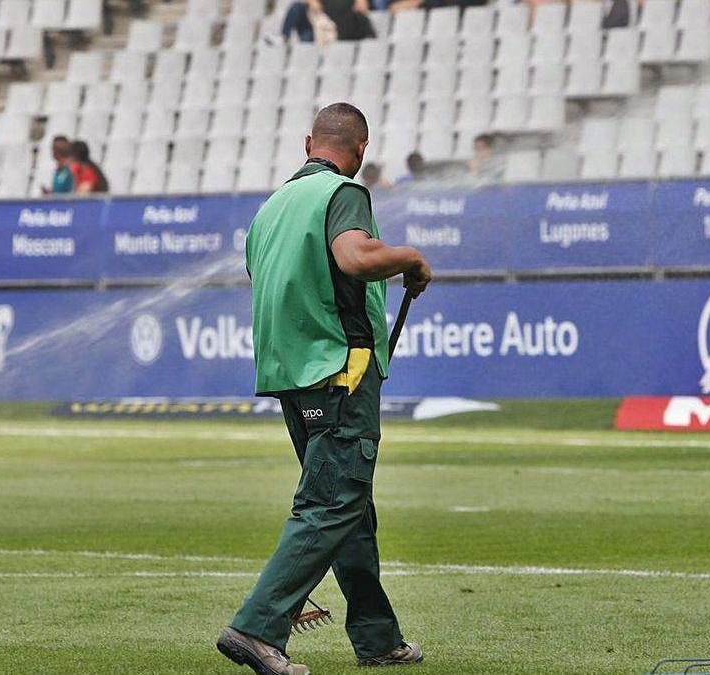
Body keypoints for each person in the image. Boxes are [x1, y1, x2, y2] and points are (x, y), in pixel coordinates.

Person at [217, 102, 431, 675]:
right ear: (360, 151)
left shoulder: (272, 208)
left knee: (349, 508)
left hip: (291, 376)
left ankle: (377, 639)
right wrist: (409, 257)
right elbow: (355, 258)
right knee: (332, 502)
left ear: (307, 141)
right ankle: (257, 628)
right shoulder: (344, 194)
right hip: (341, 372)